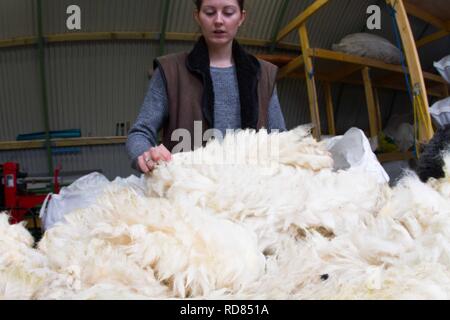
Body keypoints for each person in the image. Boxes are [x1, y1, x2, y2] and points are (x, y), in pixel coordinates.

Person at [126, 0, 286, 173]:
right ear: (197, 16)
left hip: (249, 190)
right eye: (209, 12)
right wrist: (146, 155)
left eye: (228, 12)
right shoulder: (171, 70)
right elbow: (140, 133)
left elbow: (280, 139)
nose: (218, 20)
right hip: (189, 191)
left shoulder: (264, 74)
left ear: (241, 17)